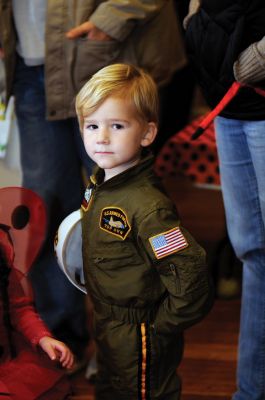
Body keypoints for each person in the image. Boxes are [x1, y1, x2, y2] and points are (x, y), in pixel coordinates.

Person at [0, 0, 187, 361]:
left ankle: (134, 339)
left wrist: (110, 19)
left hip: (105, 58)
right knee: (47, 207)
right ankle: (61, 339)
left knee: (125, 206)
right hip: (29, 66)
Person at [72, 63, 213, 399]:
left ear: (147, 133)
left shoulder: (149, 208)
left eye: (117, 125)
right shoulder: (100, 183)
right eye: (91, 125)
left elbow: (190, 276)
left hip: (141, 329)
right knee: (110, 389)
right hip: (107, 322)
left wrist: (160, 325)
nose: (101, 137)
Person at [184, 2, 265, 399]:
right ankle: (250, 391)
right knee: (253, 252)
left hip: (260, 96)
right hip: (228, 105)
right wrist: (196, 24)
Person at [0, 225, 74, 400]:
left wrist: (42, 337)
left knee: (48, 382)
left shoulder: (1, 252)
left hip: (8, 358)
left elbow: (18, 307)